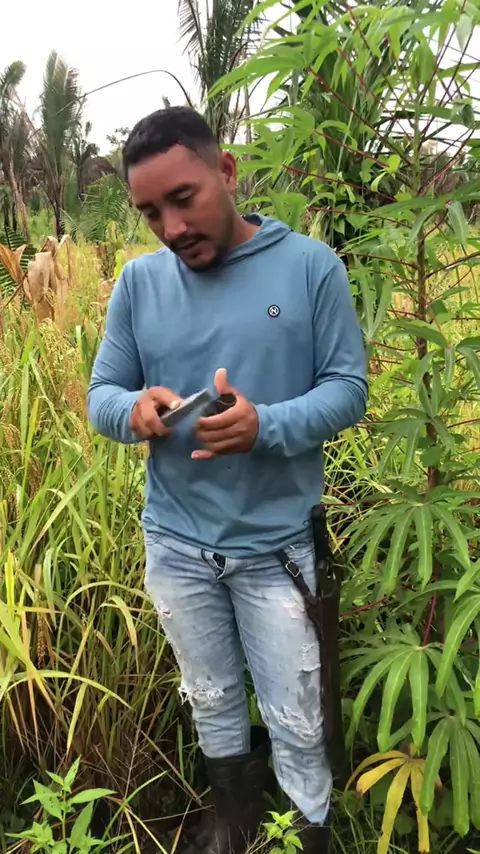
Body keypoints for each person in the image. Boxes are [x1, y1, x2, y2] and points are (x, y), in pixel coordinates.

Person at [87, 106, 368, 854]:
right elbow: (102, 394)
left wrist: (262, 426)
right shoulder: (138, 284)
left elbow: (348, 389)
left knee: (297, 714)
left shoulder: (310, 267)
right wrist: (133, 411)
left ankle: (308, 833)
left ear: (228, 171)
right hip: (177, 544)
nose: (172, 228)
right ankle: (234, 825)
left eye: (184, 199)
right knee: (210, 697)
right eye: (151, 212)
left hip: (278, 549)